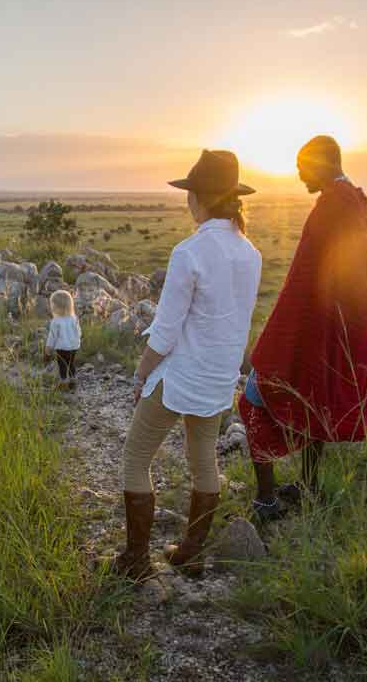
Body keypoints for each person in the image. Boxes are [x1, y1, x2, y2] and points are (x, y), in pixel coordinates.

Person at [114, 150, 262, 580]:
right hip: (219, 378)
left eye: (189, 194)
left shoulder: (190, 251)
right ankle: (191, 552)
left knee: (135, 459)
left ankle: (136, 562)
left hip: (181, 376)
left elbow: (165, 331)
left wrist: (142, 373)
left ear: (198, 198)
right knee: (203, 460)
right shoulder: (249, 252)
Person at [239, 135, 367, 522]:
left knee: (253, 398)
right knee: (315, 407)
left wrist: (273, 341)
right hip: (338, 327)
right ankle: (309, 486)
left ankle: (266, 501)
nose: (298, 174)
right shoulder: (356, 199)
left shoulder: (332, 206)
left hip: (317, 327)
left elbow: (303, 282)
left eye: (302, 166)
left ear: (320, 164)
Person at [44, 289, 82, 391]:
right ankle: (73, 381)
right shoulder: (74, 318)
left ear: (56, 307)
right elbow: (79, 332)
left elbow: (52, 337)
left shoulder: (56, 321)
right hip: (74, 346)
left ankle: (63, 383)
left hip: (62, 348)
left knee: (62, 365)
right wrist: (76, 341)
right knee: (71, 363)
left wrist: (48, 349)